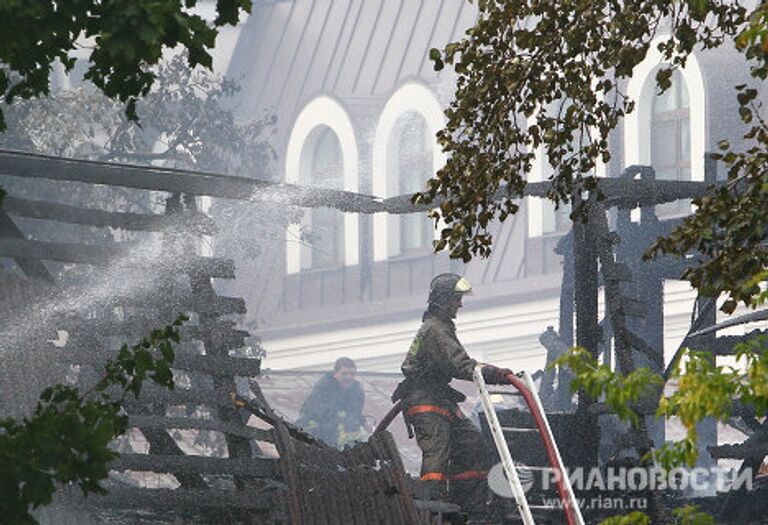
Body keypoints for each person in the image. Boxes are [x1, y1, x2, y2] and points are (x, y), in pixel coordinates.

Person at [392, 273, 514, 520]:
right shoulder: (435, 330)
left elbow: (458, 363)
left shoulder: (439, 328)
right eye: (456, 299)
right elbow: (460, 365)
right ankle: (433, 507)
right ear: (443, 300)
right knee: (436, 453)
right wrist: (492, 374)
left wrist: (492, 372)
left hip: (439, 397)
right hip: (425, 398)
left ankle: (469, 505)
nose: (460, 304)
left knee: (472, 444)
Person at [295, 357, 367, 449]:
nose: (349, 377)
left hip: (338, 432)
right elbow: (325, 415)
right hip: (314, 432)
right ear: (335, 374)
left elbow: (354, 414)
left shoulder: (357, 391)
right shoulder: (324, 389)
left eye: (352, 374)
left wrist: (362, 422)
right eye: (344, 373)